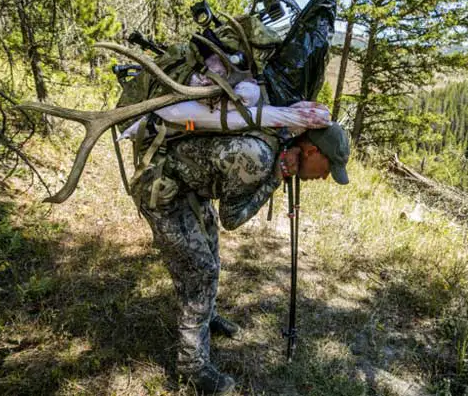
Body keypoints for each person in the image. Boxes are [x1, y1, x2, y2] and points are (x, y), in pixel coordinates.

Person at [133, 123, 350, 394]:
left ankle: (206, 315)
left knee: (210, 253)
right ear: (311, 151)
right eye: (328, 167)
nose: (326, 176)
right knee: (200, 271)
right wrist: (275, 177)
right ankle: (192, 365)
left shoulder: (277, 144)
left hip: (190, 187)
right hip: (163, 190)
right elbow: (232, 218)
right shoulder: (258, 158)